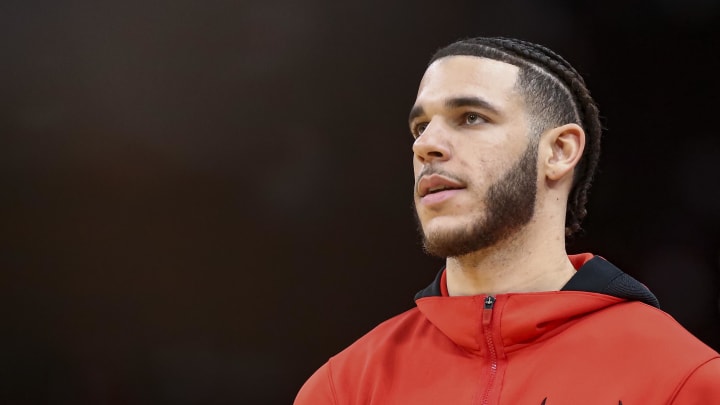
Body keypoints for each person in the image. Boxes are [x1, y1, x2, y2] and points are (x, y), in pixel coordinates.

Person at [294, 37, 720, 404]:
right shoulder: (343, 388)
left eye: (471, 117)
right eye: (420, 126)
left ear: (559, 151)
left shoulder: (683, 380)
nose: (426, 145)